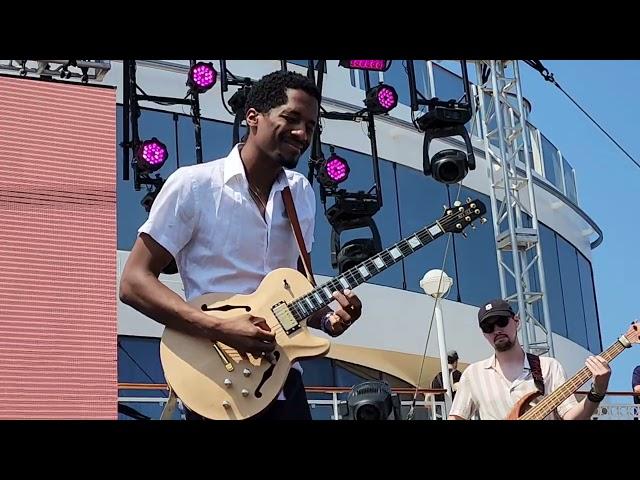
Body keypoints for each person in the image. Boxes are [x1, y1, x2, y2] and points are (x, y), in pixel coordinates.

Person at [119, 70, 363, 420]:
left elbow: (295, 287)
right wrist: (218, 327)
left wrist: (329, 317)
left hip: (284, 380)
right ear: (253, 117)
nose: (302, 133)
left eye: (310, 126)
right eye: (291, 119)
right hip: (218, 381)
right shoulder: (194, 185)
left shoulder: (302, 194)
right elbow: (133, 282)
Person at [448, 298, 611, 420]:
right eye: (488, 327)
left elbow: (570, 416)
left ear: (516, 321)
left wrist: (597, 391)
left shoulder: (549, 367)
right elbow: (457, 417)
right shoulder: (473, 374)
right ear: (484, 334)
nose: (496, 330)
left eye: (502, 322)